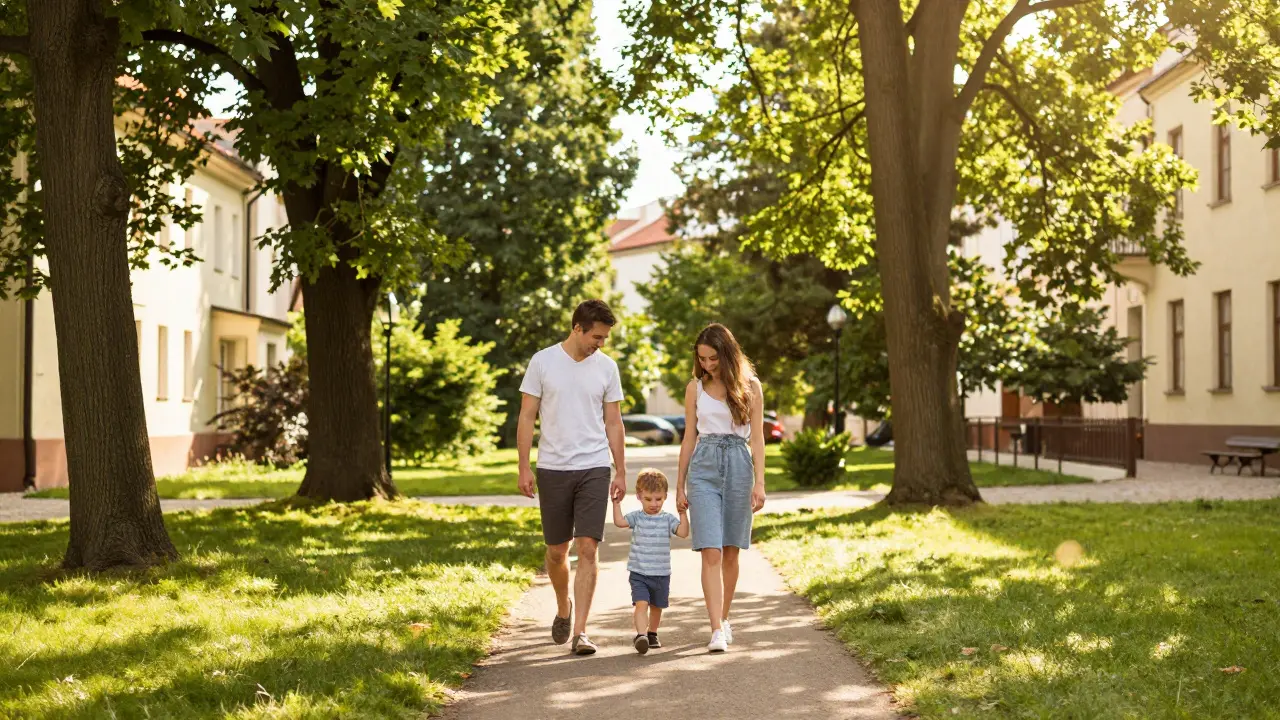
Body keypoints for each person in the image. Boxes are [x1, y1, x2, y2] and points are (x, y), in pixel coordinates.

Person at [517, 299, 628, 656]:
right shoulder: (543, 362)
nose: (601, 343)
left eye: (605, 337)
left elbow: (614, 421)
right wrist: (523, 465)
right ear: (577, 328)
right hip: (553, 467)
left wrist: (620, 469)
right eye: (597, 336)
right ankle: (563, 606)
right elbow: (526, 416)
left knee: (588, 547)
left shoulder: (607, 367)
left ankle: (581, 631)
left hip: (594, 465)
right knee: (555, 551)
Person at [676, 323, 766, 653]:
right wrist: (679, 486)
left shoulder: (751, 387)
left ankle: (725, 618)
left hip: (740, 465)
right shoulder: (694, 389)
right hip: (704, 468)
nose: (707, 365)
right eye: (702, 359)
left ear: (727, 355)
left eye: (713, 358)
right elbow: (688, 438)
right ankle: (715, 629)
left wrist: (760, 482)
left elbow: (757, 439)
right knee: (710, 549)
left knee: (730, 550)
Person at [611, 468, 690, 655]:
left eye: (658, 499)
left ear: (665, 497)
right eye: (648, 499)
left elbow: (683, 533)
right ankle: (641, 636)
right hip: (639, 572)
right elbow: (620, 522)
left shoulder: (667, 519)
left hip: (661, 573)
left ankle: (652, 633)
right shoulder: (637, 517)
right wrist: (616, 504)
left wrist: (683, 514)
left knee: (657, 606)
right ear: (639, 496)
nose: (654, 504)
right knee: (641, 604)